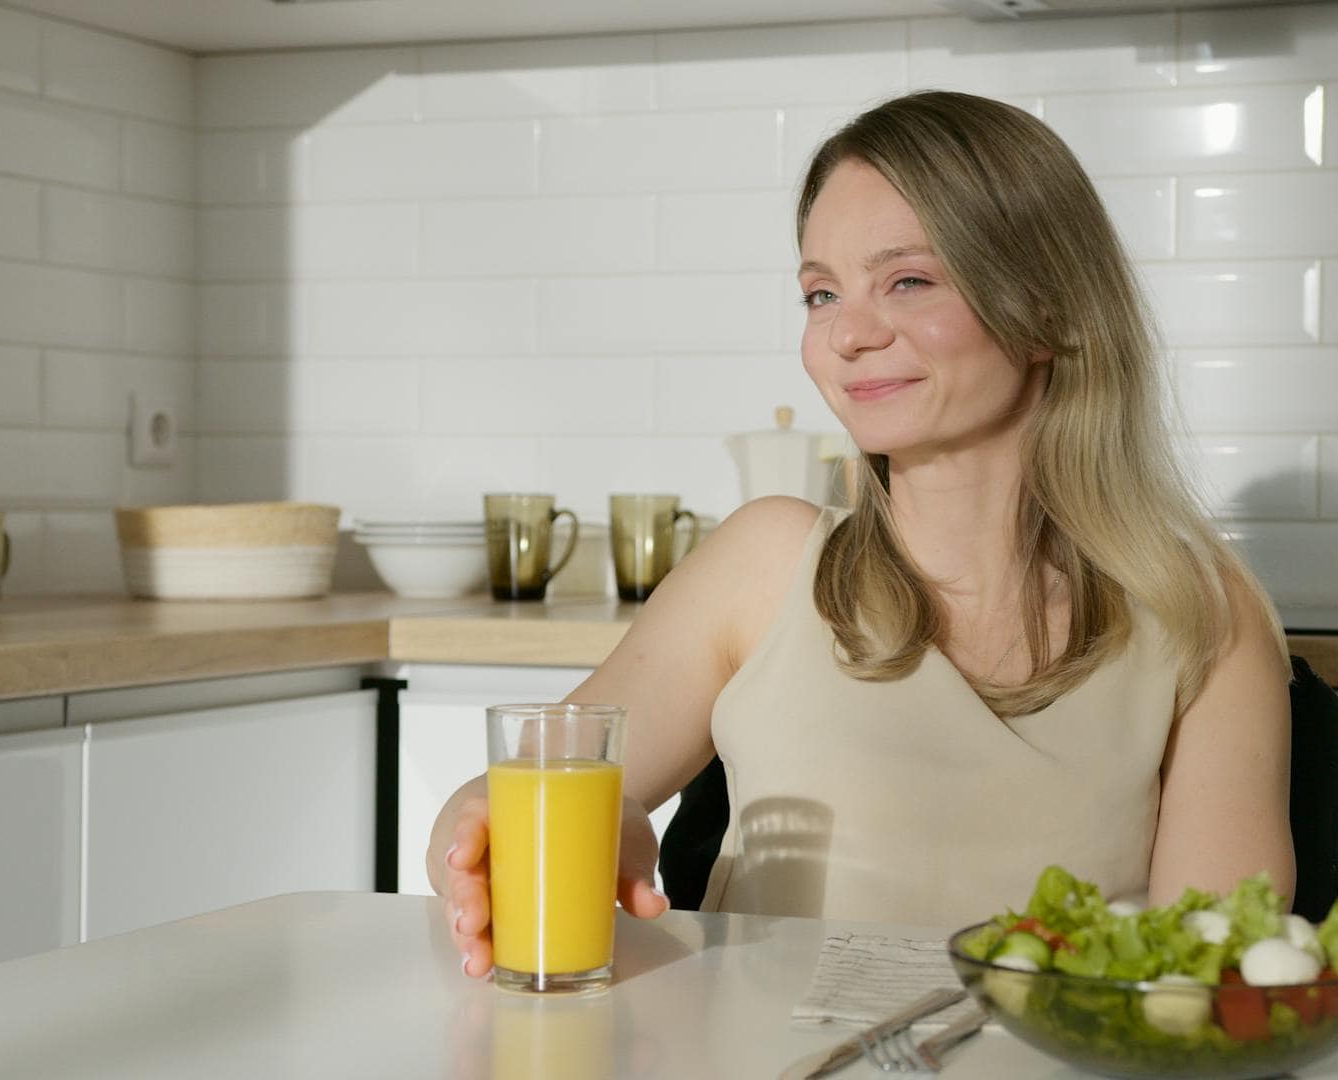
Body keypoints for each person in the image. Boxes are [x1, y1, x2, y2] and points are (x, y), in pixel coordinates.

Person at [428, 90, 1294, 980]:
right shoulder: (766, 564)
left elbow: (1215, 976)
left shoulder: (1201, 615)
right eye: (821, 293)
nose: (847, 333)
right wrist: (500, 842)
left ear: (1051, 308)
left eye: (908, 281)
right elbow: (492, 807)